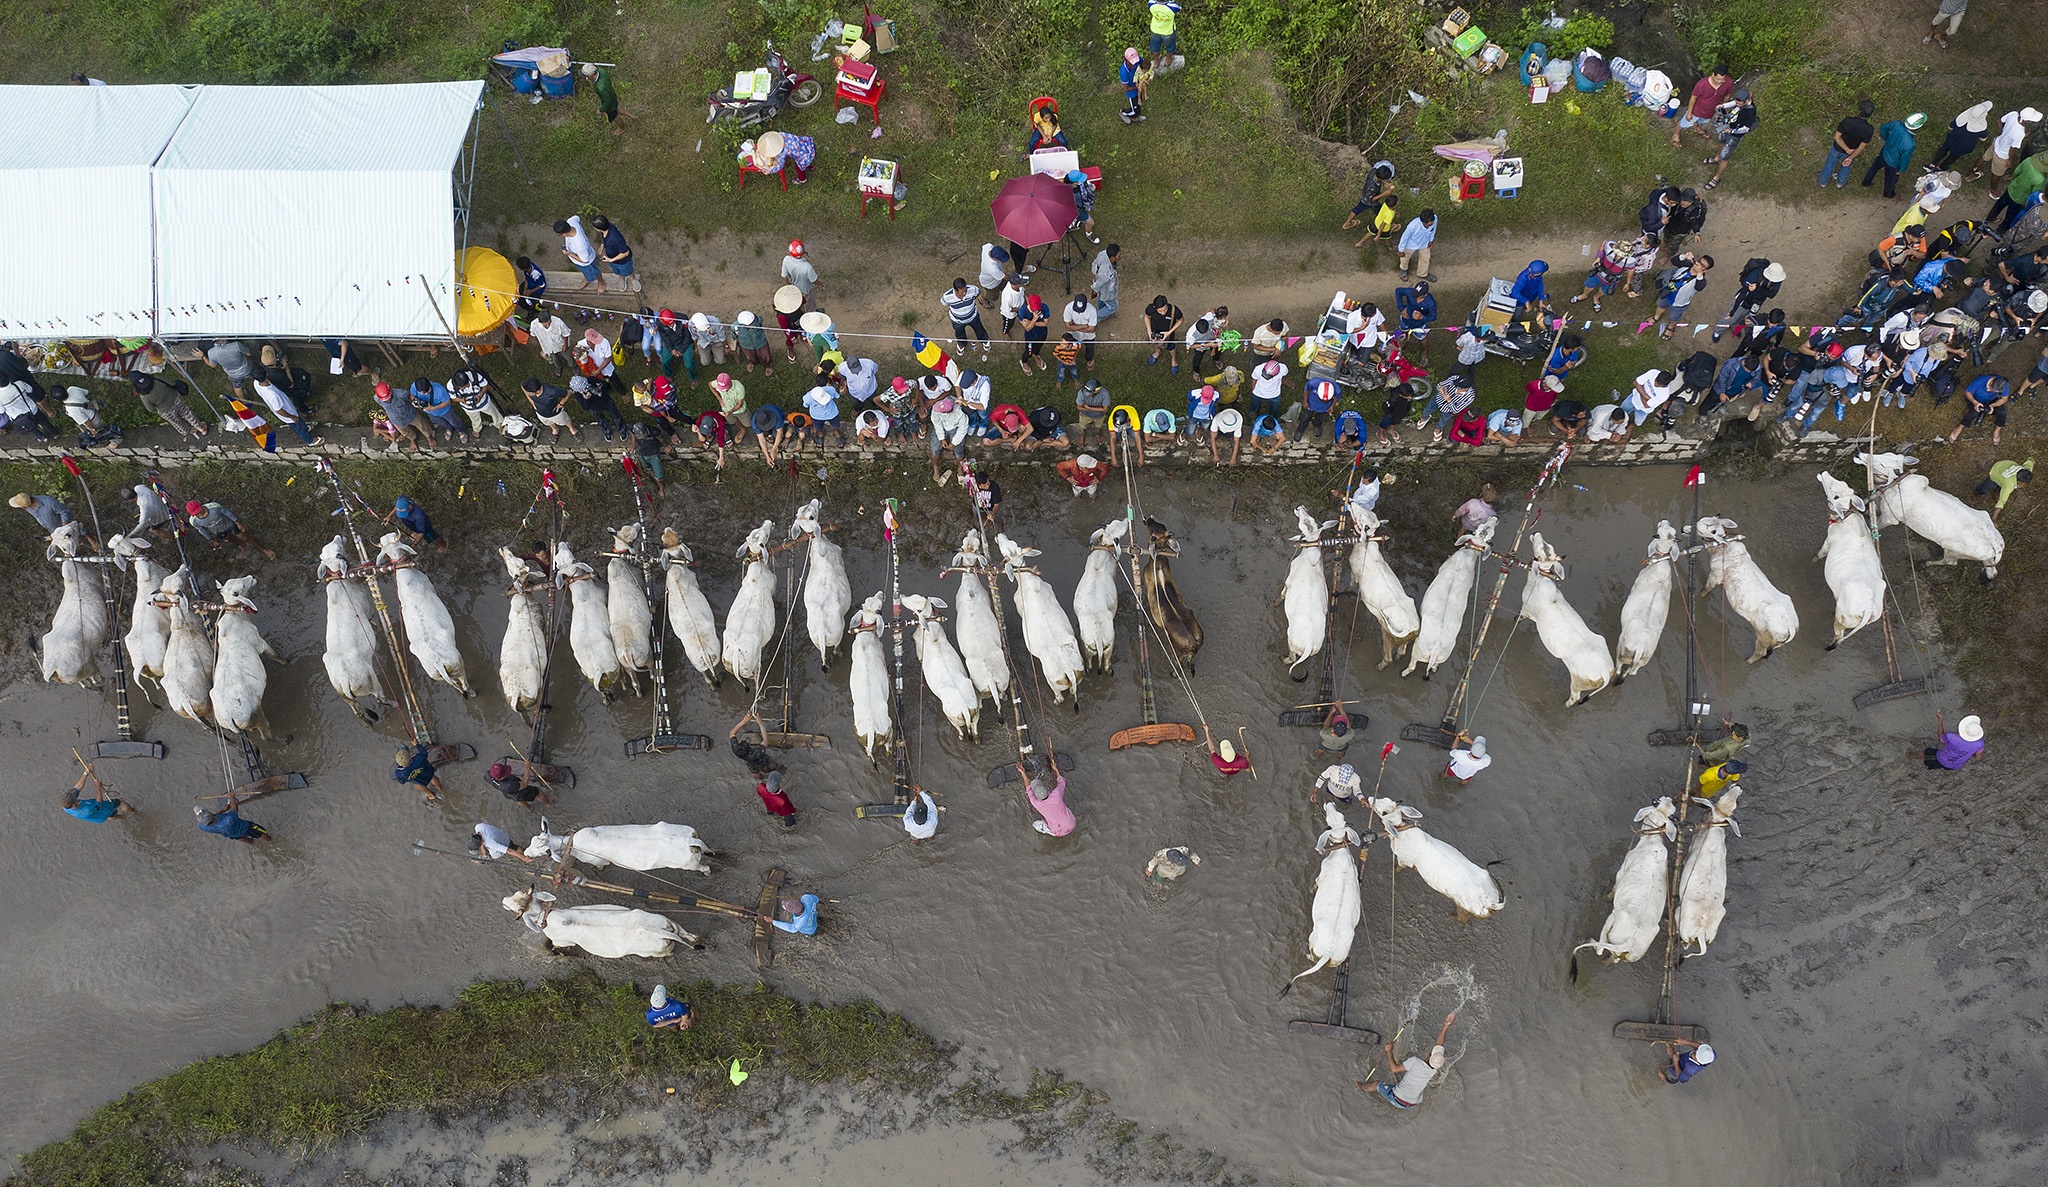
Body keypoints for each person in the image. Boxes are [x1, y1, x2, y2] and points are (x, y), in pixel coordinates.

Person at [1359, 1013, 1456, 1108]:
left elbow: (1394, 1069)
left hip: (1397, 1099)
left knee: (1376, 1084)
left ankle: (1359, 1086)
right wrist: (1445, 1026)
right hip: (1411, 1104)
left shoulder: (1415, 1062)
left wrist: (1389, 1051)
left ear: (1430, 1055)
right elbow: (1439, 1044)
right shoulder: (1434, 1068)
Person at [1704, 88, 1758, 189]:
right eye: (1737, 102)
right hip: (1727, 126)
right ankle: (1716, 158)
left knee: (1725, 157)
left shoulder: (1751, 111)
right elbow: (1734, 102)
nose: (1737, 104)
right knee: (1721, 141)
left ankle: (1716, 178)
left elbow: (1746, 128)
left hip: (1734, 134)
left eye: (1740, 103)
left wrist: (1732, 131)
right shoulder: (1741, 100)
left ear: (1746, 101)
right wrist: (1723, 106)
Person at [186, 498, 274, 559]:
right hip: (218, 532)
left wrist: (237, 522)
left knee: (245, 537)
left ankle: (263, 549)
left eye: (199, 511)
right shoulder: (194, 521)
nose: (199, 514)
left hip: (230, 525)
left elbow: (227, 513)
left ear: (200, 506)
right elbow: (202, 530)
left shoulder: (214, 507)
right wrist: (211, 540)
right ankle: (242, 545)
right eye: (196, 514)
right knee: (230, 539)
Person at [1864, 112, 1927, 198]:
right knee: (1890, 180)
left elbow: (1883, 128)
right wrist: (1901, 170)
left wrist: (1886, 138)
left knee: (1874, 167)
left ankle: (1866, 182)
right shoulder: (1910, 144)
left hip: (1884, 152)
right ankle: (1888, 194)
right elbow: (1905, 159)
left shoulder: (1896, 124)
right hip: (1893, 164)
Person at [1673, 64, 1734, 148]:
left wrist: (1723, 104)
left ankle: (1698, 128)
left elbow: (1727, 94)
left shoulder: (1728, 82)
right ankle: (1676, 134)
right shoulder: (1702, 84)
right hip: (1697, 110)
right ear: (1713, 74)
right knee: (1684, 123)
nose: (1720, 82)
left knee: (1703, 121)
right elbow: (1693, 98)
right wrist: (1689, 112)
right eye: (1717, 79)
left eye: (1722, 80)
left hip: (1711, 111)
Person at [130, 373, 207, 438]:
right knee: (187, 413)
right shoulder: (156, 379)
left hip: (165, 411)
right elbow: (172, 383)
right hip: (176, 399)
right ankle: (201, 428)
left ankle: (188, 430)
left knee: (177, 422)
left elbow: (151, 409)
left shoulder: (144, 396)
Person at [1822, 100, 1878, 188]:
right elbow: (1861, 147)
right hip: (1851, 152)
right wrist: (1851, 156)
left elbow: (1837, 137)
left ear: (1859, 110)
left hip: (1837, 148)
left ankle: (1823, 182)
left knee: (1829, 165)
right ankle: (1840, 184)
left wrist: (1846, 148)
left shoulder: (1847, 121)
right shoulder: (1869, 129)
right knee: (1846, 166)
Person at [1975, 106, 2040, 181]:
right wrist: (2010, 161)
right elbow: (2012, 150)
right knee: (1997, 174)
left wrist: (2004, 134)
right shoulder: (2020, 133)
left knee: (1984, 158)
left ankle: (1973, 171)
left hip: (1997, 142)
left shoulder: (2013, 114)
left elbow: (1999, 121)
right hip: (2002, 155)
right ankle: (1993, 190)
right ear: (2027, 121)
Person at [1948, 372, 2013, 444]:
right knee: (1974, 413)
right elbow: (1967, 392)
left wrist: (1993, 405)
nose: (1991, 391)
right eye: (1992, 389)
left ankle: (1998, 429)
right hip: (1976, 399)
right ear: (1991, 382)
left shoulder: (2004, 384)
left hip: (1991, 401)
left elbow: (2004, 399)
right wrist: (1975, 402)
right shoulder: (1980, 381)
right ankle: (1960, 427)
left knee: (2002, 412)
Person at [61, 768, 133, 823]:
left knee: (110, 815)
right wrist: (98, 787)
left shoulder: (66, 805)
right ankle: (133, 812)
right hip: (101, 810)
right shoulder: (85, 811)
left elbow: (78, 787)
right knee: (119, 802)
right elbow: (98, 803)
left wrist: (86, 773)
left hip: (98, 817)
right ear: (73, 804)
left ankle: (121, 817)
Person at [590, 214, 640, 292]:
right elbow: (603, 237)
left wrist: (611, 260)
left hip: (623, 261)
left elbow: (625, 253)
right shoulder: (606, 228)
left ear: (599, 229)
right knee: (617, 271)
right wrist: (602, 245)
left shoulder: (615, 238)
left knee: (628, 271)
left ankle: (633, 279)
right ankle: (622, 278)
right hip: (612, 259)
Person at [1024, 762, 1075, 836]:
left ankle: (1047, 829)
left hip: (1059, 832)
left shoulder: (1035, 803)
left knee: (1035, 824)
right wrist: (1056, 769)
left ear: (1036, 796)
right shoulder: (1056, 794)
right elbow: (1061, 781)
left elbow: (1028, 788)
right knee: (1064, 809)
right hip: (1072, 823)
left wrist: (1023, 773)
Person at [580, 62, 630, 134]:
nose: (586, 77)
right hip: (612, 94)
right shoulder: (602, 71)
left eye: (586, 75)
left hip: (609, 102)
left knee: (614, 116)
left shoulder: (601, 88)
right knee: (616, 107)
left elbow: (607, 101)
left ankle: (622, 128)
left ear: (590, 75)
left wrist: (601, 110)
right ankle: (631, 116)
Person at [555, 215, 601, 291]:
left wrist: (569, 254)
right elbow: (577, 217)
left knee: (594, 272)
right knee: (588, 274)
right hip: (583, 255)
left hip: (586, 263)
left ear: (564, 234)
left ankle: (601, 281)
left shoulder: (580, 246)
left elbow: (584, 260)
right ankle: (587, 277)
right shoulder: (571, 222)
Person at [194, 797, 269, 843]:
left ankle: (251, 842)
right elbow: (234, 808)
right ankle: (270, 841)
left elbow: (213, 817)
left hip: (231, 834)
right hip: (245, 828)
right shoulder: (228, 821)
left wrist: (222, 810)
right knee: (261, 833)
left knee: (241, 838)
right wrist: (231, 797)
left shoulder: (201, 825)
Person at [484, 761, 552, 807]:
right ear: (500, 778)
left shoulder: (487, 775)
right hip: (519, 792)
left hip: (508, 794)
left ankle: (529, 809)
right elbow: (525, 783)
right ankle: (547, 803)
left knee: (519, 800)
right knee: (538, 792)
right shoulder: (511, 785)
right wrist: (527, 768)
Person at [1144, 295, 1184, 371]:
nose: (1163, 312)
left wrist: (1169, 332)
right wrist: (1149, 331)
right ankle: (1157, 352)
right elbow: (1146, 317)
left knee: (1170, 347)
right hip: (1155, 331)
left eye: (1165, 310)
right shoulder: (1151, 308)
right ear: (1155, 308)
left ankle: (1174, 360)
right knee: (1155, 343)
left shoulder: (1174, 310)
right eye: (1160, 311)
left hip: (1168, 333)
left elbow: (1181, 320)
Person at [1398, 209, 1438, 282]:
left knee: (1425, 258)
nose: (1431, 224)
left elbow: (1433, 230)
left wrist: (1431, 240)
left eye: (1432, 222)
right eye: (1428, 224)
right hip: (1410, 245)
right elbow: (1404, 238)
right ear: (1423, 222)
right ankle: (1403, 270)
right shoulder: (1412, 226)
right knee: (1405, 258)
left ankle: (1422, 274)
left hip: (1424, 243)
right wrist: (1401, 250)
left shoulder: (1434, 219)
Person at [10, 492, 75, 534]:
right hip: (54, 531)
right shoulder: (28, 507)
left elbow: (64, 511)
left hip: (69, 526)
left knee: (82, 532)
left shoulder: (49, 501)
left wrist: (64, 528)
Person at [467, 821, 532, 862]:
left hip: (499, 849)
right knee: (514, 847)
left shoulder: (491, 843)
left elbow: (508, 850)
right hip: (504, 838)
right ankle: (524, 852)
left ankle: (480, 860)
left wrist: (523, 858)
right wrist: (483, 847)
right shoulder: (478, 826)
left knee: (487, 858)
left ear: (481, 842)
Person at [1065, 169, 1100, 244]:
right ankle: (1089, 234)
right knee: (1090, 222)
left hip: (1082, 206)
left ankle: (1074, 221)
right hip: (1078, 210)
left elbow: (1087, 184)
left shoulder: (1079, 183)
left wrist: (1092, 187)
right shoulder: (1070, 193)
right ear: (1075, 182)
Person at [1148, 0, 1182, 71]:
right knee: (1170, 46)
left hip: (1155, 30)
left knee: (1155, 47)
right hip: (1168, 32)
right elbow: (1179, 8)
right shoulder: (1172, 6)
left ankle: (1156, 61)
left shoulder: (1151, 3)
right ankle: (1168, 60)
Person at [1091, 244, 1122, 318]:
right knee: (1113, 307)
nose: (1120, 256)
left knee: (1100, 299)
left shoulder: (1103, 253)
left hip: (1099, 284)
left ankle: (1102, 310)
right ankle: (1094, 319)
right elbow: (1099, 283)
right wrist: (1094, 289)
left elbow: (1095, 264)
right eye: (1118, 255)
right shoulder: (1106, 273)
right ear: (1112, 257)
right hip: (1106, 290)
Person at [1118, 47, 1147, 124]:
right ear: (1126, 60)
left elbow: (1143, 64)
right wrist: (1138, 86)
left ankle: (1136, 115)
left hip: (1138, 88)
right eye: (1132, 62)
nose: (1134, 64)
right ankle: (1123, 112)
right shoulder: (1123, 72)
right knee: (1134, 109)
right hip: (1132, 92)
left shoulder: (1138, 60)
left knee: (1139, 104)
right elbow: (1126, 88)